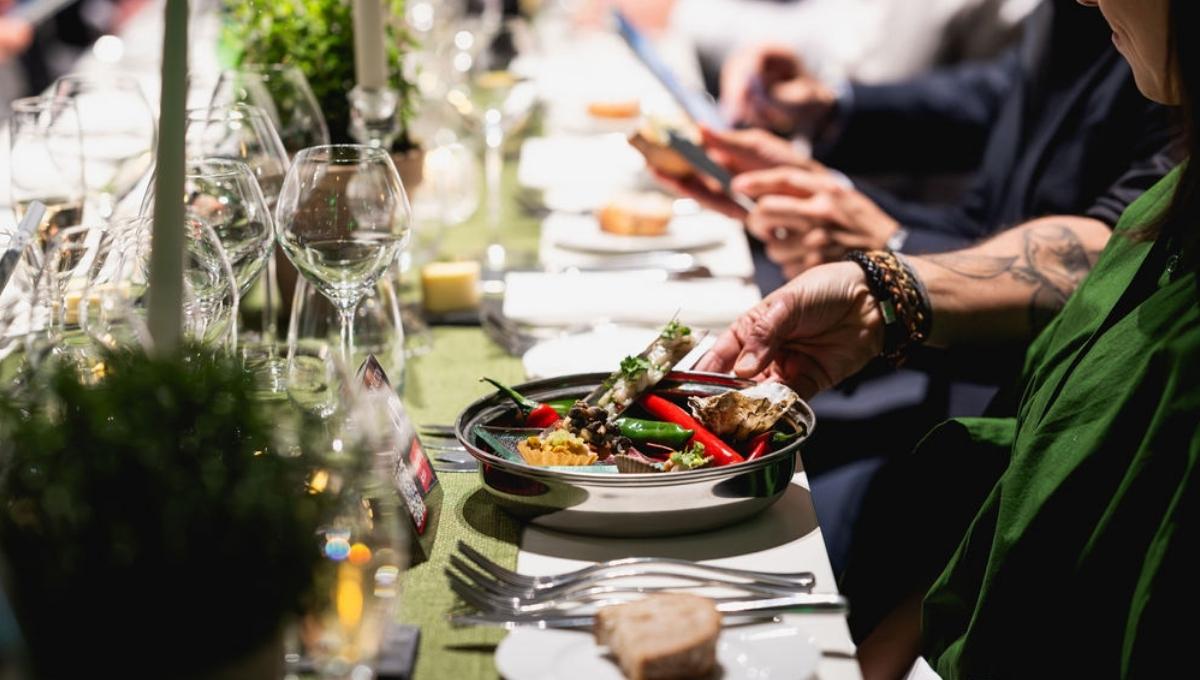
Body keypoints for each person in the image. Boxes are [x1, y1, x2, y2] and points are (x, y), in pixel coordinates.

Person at [699, 0, 1198, 676]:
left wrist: (888, 263)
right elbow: (1002, 104)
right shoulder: (1109, 47)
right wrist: (878, 261)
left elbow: (1092, 256)